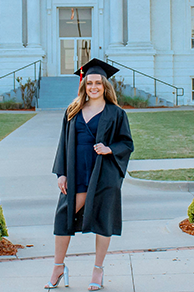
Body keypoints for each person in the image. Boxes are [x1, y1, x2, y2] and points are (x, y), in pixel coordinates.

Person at [45, 59, 133, 291]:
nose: (93, 87)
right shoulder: (73, 110)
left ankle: (98, 270)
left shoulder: (116, 113)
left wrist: (110, 148)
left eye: (98, 83)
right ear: (84, 85)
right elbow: (63, 143)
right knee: (63, 217)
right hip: (76, 174)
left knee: (103, 221)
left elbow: (127, 143)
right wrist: (61, 174)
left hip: (104, 175)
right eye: (89, 83)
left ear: (105, 86)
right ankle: (58, 266)